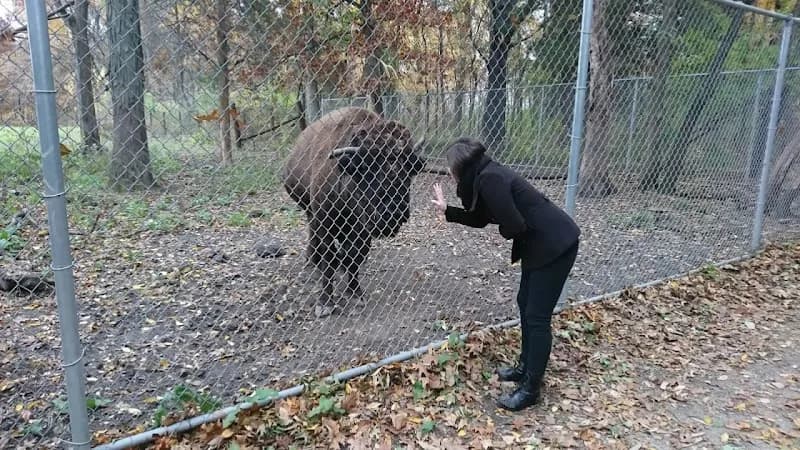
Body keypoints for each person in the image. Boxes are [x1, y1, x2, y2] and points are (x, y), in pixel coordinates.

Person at [430, 137, 581, 411]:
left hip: (556, 245)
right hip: (538, 244)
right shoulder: (484, 176)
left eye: (450, 168)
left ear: (460, 167)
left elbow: (514, 225)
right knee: (525, 304)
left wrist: (502, 223)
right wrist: (447, 211)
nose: (449, 174)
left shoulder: (491, 179)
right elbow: (480, 218)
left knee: (537, 316)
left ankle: (531, 388)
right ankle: (524, 368)